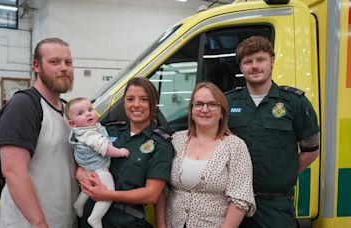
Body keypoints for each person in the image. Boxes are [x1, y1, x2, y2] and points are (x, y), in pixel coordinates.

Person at [225, 36, 320, 228]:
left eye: (260, 60)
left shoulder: (295, 102)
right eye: (248, 62)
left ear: (272, 61)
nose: (254, 66)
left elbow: (312, 150)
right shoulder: (228, 103)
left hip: (275, 206)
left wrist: (284, 174)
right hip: (232, 204)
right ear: (241, 67)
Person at [0, 38, 79, 228]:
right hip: (27, 223)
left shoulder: (67, 110)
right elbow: (13, 171)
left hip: (59, 219)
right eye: (54, 62)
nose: (64, 68)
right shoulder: (24, 106)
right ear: (36, 66)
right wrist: (40, 224)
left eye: (68, 62)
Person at [76, 77, 174, 228]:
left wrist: (108, 195)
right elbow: (82, 155)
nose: (136, 105)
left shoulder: (161, 144)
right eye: (130, 99)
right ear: (124, 103)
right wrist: (80, 172)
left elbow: (152, 194)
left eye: (143, 99)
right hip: (90, 216)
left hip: (125, 221)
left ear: (153, 104)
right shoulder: (107, 131)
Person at [156, 82, 256, 228]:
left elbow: (240, 198)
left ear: (222, 112)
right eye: (199, 104)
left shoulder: (235, 146)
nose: (204, 109)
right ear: (191, 110)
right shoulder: (176, 140)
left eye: (212, 104)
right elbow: (162, 188)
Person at [65, 97, 130, 227]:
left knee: (90, 184)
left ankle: (78, 203)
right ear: (72, 124)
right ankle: (95, 218)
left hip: (90, 166)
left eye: (90, 109)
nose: (88, 113)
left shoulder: (88, 129)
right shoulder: (89, 134)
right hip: (98, 167)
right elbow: (105, 148)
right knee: (109, 191)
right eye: (81, 113)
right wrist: (120, 152)